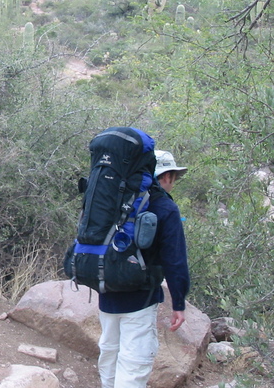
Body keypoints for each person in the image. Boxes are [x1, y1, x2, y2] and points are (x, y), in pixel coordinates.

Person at [97, 149, 191, 388]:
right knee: (134, 363)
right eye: (174, 178)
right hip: (141, 298)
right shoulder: (165, 207)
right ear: (166, 176)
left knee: (109, 353)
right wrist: (179, 303)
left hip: (106, 293)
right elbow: (175, 260)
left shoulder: (114, 199)